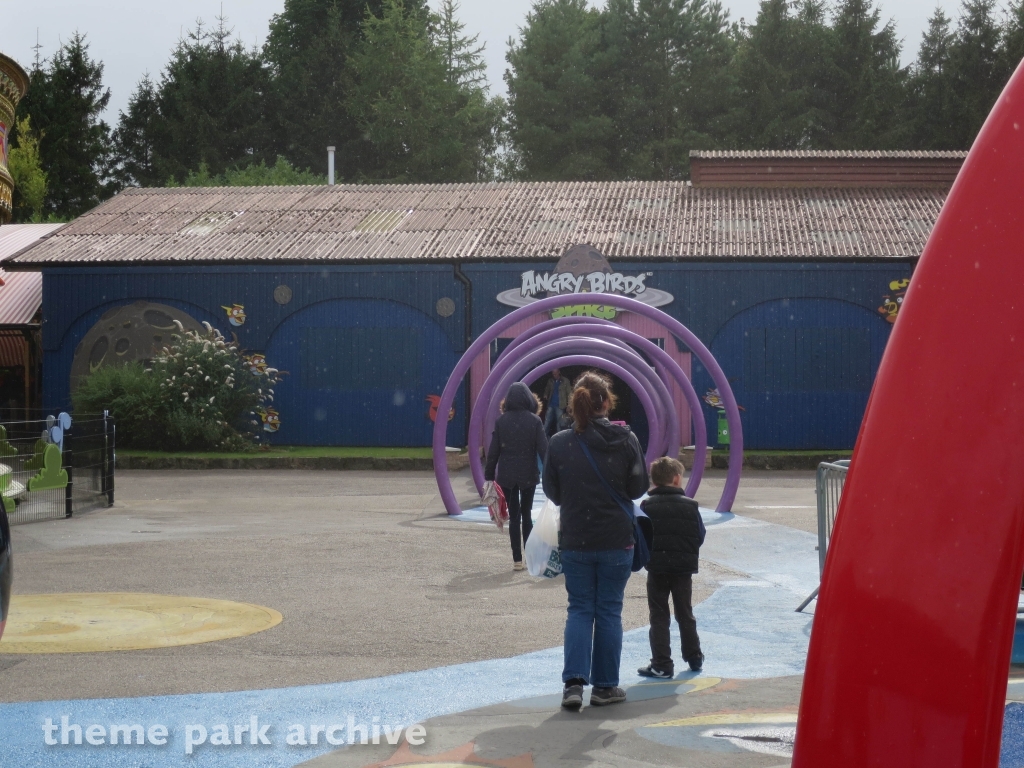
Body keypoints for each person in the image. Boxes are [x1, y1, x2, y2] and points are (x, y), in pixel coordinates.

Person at [542, 371, 649, 709]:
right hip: (616, 539)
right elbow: (637, 489)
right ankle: (605, 686)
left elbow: (552, 492)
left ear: (577, 404)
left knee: (579, 609)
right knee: (608, 612)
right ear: (606, 402)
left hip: (576, 538)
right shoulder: (626, 440)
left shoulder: (560, 443)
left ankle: (573, 684)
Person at [637, 457, 706, 678]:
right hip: (683, 568)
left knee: (658, 615)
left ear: (654, 481)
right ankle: (694, 656)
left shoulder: (647, 506)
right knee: (685, 613)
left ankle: (662, 663)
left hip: (656, 567)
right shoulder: (691, 506)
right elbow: (699, 535)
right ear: (677, 479)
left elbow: (641, 535)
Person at [485, 382, 549, 570]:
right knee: (527, 515)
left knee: (514, 517)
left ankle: (516, 559)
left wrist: (489, 474)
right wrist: (551, 470)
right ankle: (529, 557)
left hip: (507, 475)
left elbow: (494, 451)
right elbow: (543, 449)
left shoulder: (501, 421)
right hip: (528, 474)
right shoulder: (534, 421)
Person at [542, 368, 570, 437]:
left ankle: (559, 438)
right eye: (553, 373)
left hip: (560, 405)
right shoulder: (550, 381)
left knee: (559, 423)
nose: (554, 375)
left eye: (555, 373)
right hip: (551, 404)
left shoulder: (565, 381)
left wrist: (569, 405)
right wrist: (545, 395)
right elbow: (547, 390)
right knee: (547, 422)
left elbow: (569, 393)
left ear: (559, 372)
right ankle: (543, 437)